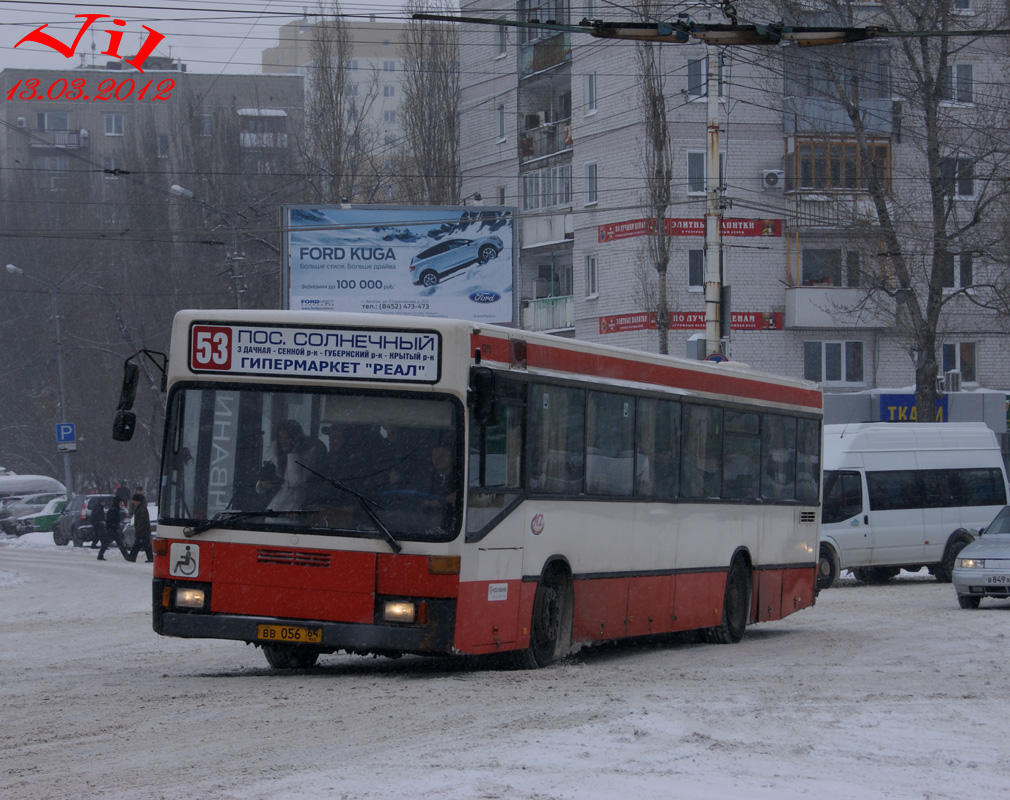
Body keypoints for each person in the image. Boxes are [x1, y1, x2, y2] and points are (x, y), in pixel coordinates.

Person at [256, 419, 325, 511]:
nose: (283, 441)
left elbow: (295, 482)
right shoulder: (276, 456)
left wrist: (293, 454)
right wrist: (263, 484)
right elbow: (265, 480)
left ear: (296, 439)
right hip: (274, 508)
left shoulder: (307, 458)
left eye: (287, 438)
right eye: (281, 437)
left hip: (293, 510)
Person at [97, 495, 129, 560]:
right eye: (120, 502)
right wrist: (115, 527)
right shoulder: (114, 510)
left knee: (107, 543)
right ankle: (126, 556)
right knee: (119, 543)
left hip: (111, 529)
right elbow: (113, 520)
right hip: (113, 529)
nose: (121, 504)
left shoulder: (114, 509)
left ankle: (100, 555)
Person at [125, 487, 152, 563]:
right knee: (145, 545)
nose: (133, 502)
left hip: (142, 530)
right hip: (143, 530)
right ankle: (150, 558)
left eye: (134, 501)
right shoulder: (140, 508)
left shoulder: (142, 508)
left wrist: (139, 528)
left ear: (137, 501)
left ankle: (132, 557)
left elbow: (142, 520)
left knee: (138, 544)